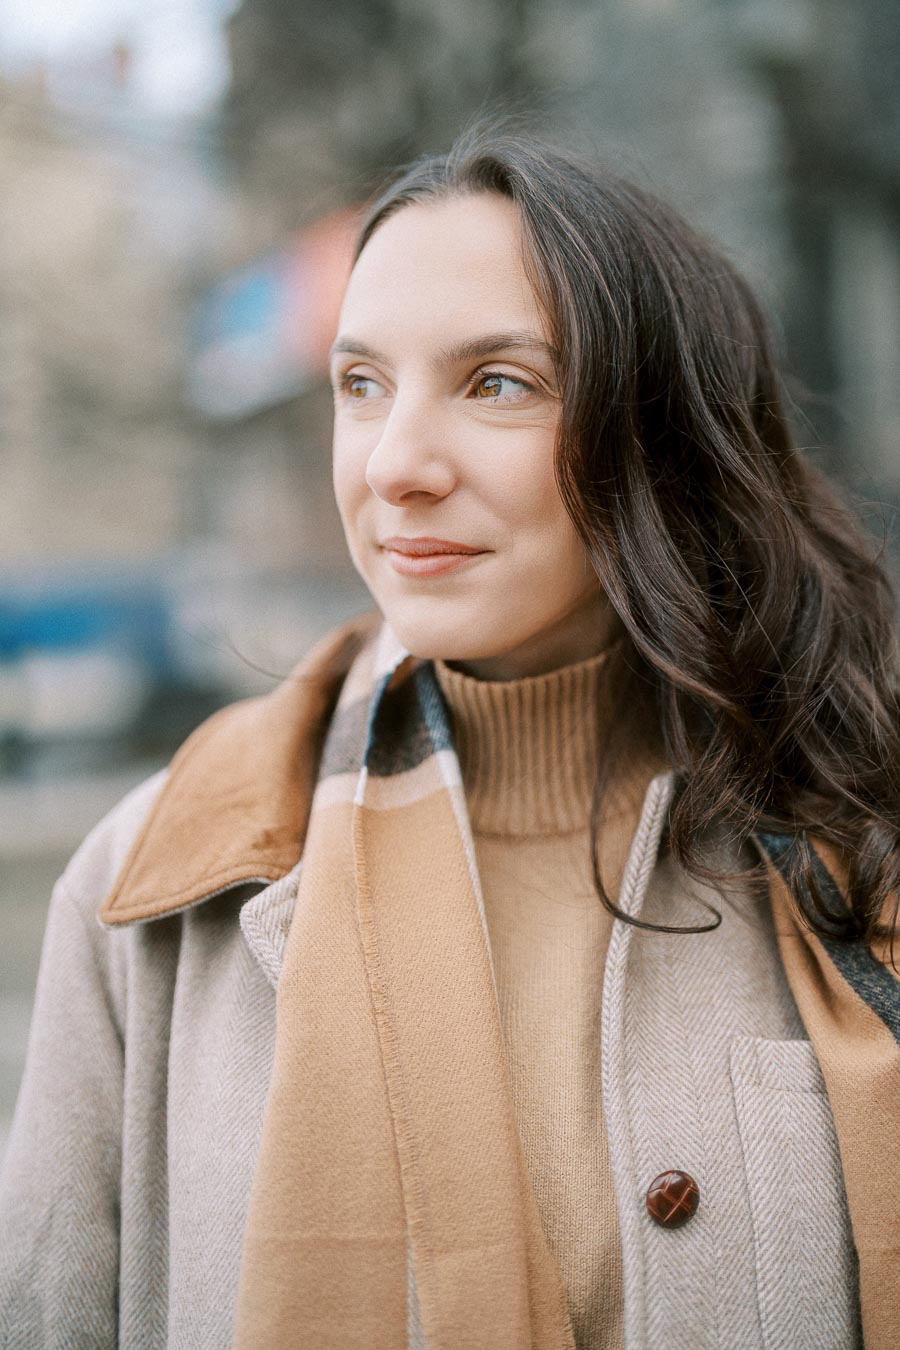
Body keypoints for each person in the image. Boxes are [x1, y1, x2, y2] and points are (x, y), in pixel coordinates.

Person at [1, 124, 898, 1350]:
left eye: (498, 383)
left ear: (662, 437)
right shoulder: (151, 885)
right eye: (360, 385)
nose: (397, 465)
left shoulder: (857, 831)